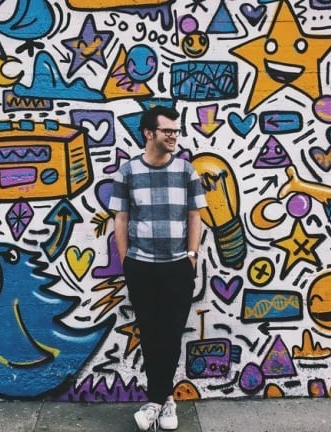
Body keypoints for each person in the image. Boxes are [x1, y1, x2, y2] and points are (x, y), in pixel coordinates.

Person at [108, 105, 207, 431]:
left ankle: (156, 401)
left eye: (176, 131)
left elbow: (196, 216)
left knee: (171, 335)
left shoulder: (186, 171)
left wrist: (191, 256)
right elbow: (120, 219)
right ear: (149, 133)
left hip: (178, 267)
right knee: (150, 335)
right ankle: (165, 402)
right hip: (142, 267)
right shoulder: (128, 172)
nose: (174, 135)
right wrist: (127, 261)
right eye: (167, 131)